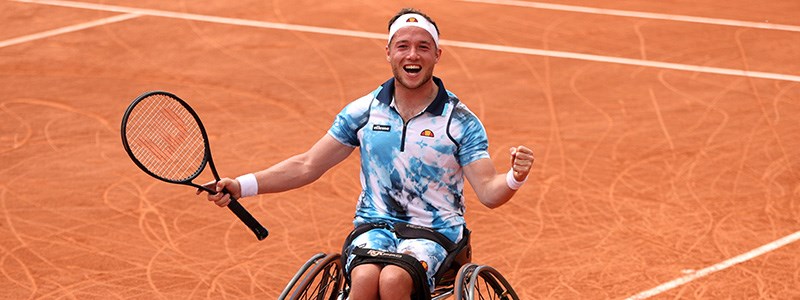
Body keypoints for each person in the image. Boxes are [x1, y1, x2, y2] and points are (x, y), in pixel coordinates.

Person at [201, 7, 534, 300]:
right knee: (363, 278)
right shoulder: (363, 112)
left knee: (393, 280)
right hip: (374, 226)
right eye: (403, 46)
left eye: (423, 47)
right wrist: (240, 186)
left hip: (437, 233)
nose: (412, 55)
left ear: (437, 55)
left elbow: (490, 193)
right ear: (388, 53)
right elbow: (307, 164)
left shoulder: (460, 122)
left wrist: (514, 177)